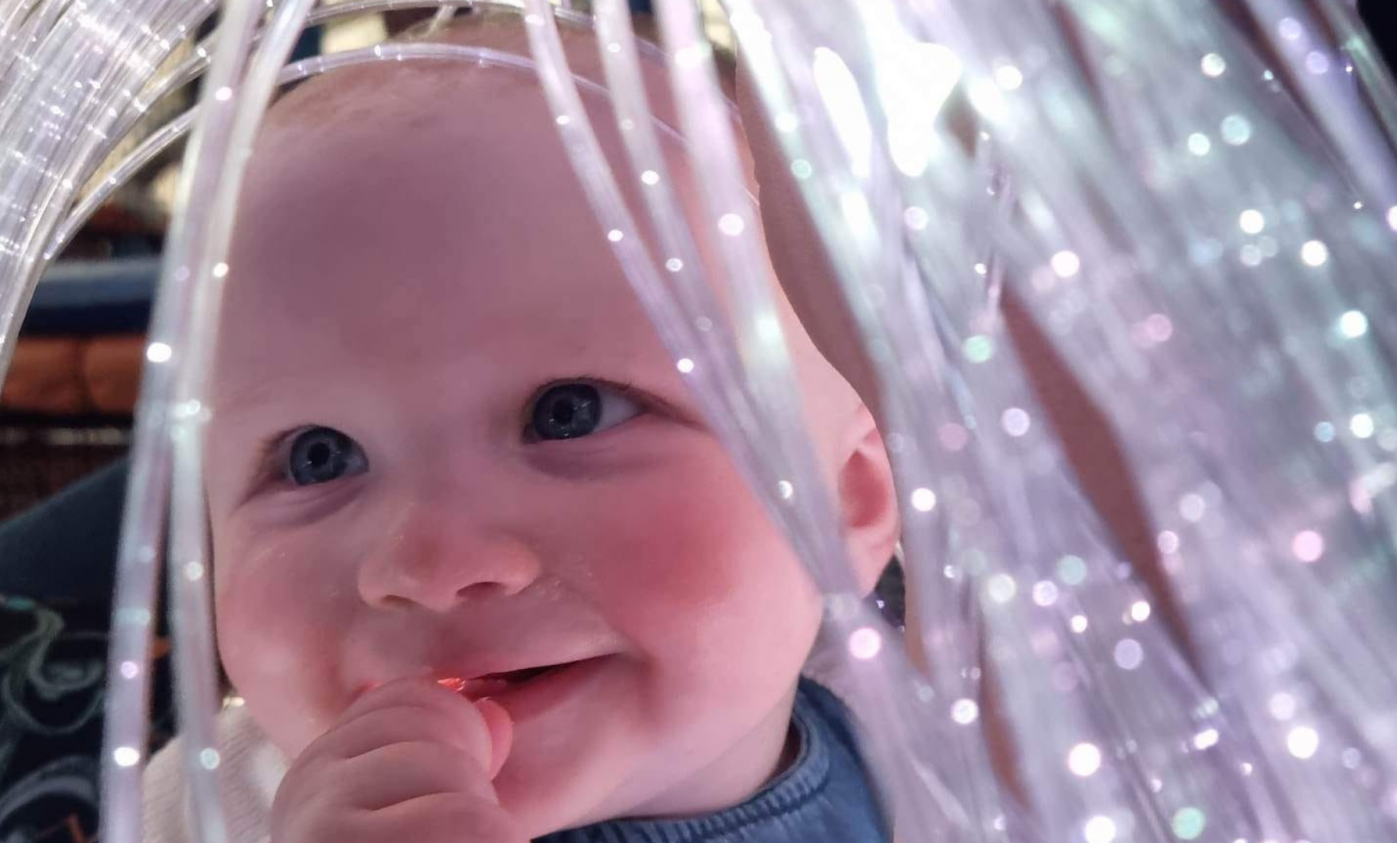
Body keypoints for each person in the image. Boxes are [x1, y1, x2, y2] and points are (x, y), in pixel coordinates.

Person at [143, 9, 902, 843]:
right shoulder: (215, 808)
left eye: (569, 413)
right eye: (318, 459)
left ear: (851, 498)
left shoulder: (938, 761)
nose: (429, 564)